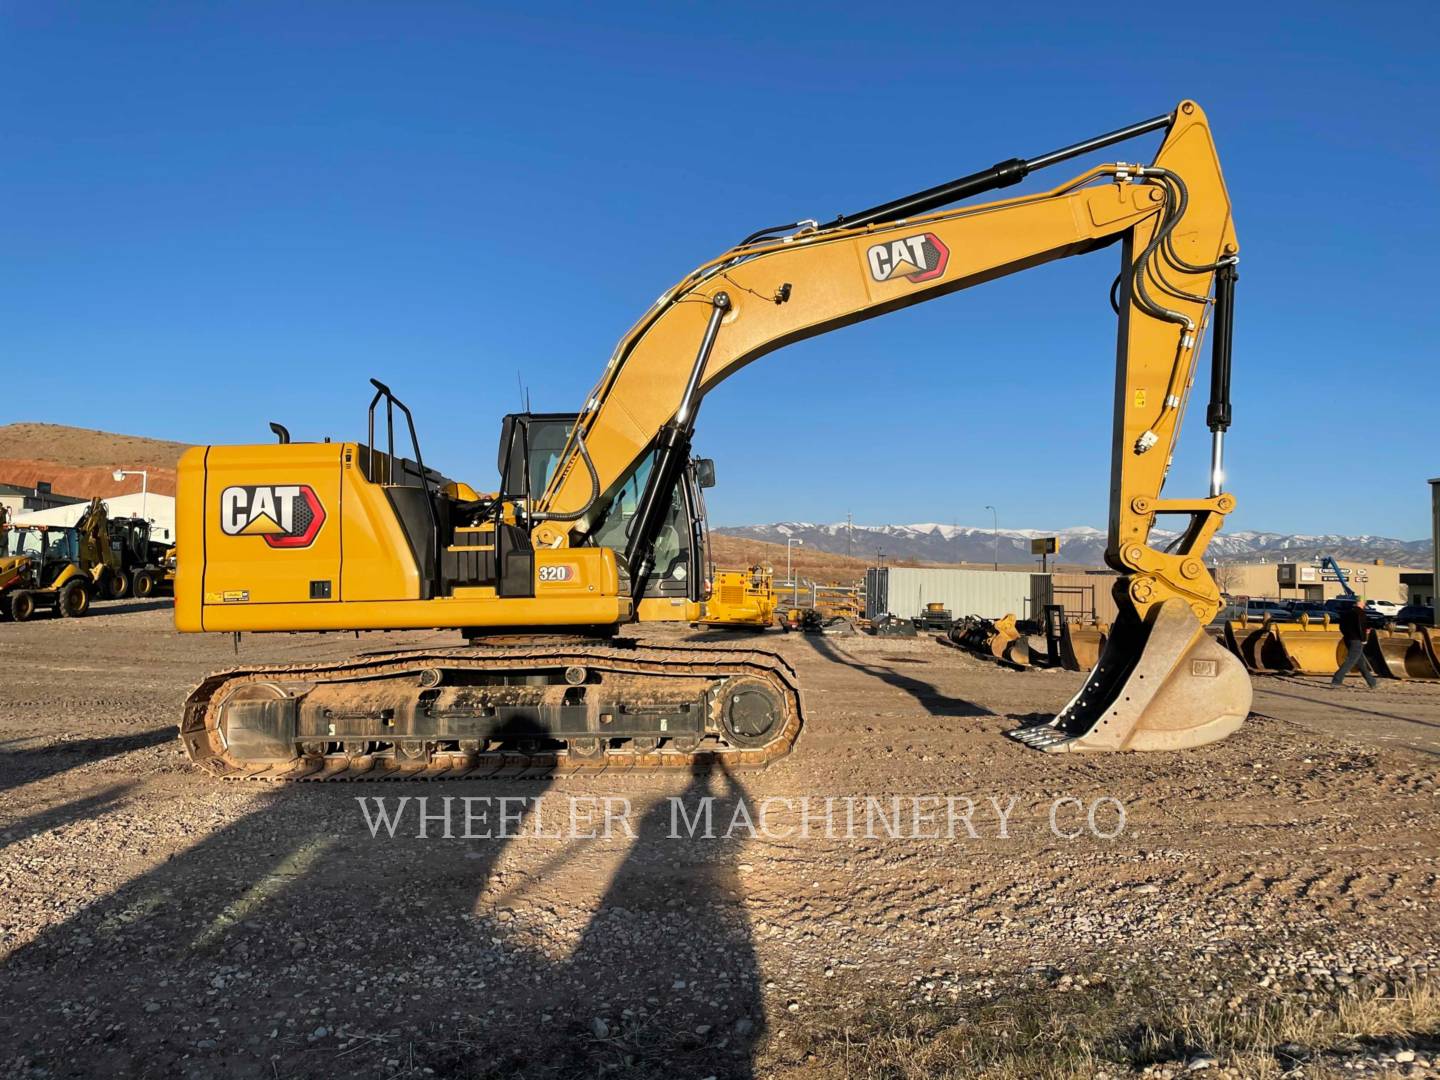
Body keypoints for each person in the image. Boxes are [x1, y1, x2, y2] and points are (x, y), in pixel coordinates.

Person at [1332, 597, 1379, 689]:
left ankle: (1372, 682)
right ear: (1361, 603)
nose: (1365, 605)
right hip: (1356, 640)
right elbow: (1361, 628)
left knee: (1361, 663)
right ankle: (1336, 680)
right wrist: (1364, 638)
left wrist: (1347, 635)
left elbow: (1342, 626)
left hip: (1348, 639)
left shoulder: (1347, 613)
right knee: (1350, 661)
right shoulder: (1360, 614)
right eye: (1364, 603)